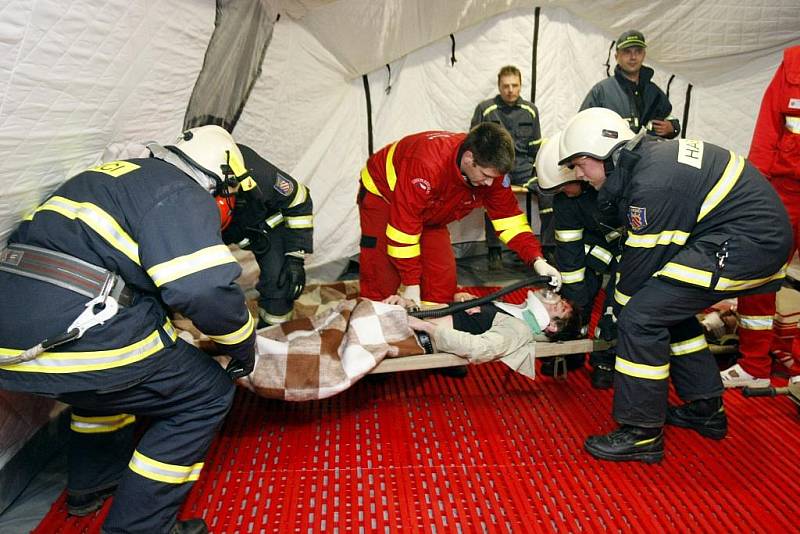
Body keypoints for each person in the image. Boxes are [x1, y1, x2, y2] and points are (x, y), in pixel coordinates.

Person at [0, 125, 257, 533]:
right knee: (206, 394)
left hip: (14, 338)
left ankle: (91, 484)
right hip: (76, 331)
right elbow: (203, 289)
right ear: (218, 178)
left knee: (104, 386)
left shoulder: (106, 177)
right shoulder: (181, 190)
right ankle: (140, 527)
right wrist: (243, 344)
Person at [558, 107, 792, 463]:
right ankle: (705, 408)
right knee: (667, 307)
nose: (578, 174)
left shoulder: (651, 184)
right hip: (746, 236)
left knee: (641, 317)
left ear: (603, 154)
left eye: (579, 164)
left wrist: (615, 314)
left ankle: (641, 433)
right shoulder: (649, 161)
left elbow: (639, 267)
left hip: (746, 244)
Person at [357, 122, 561, 308]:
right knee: (382, 274)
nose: (490, 184)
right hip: (383, 195)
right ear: (469, 158)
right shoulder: (427, 165)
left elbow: (510, 221)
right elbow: (403, 229)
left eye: (494, 178)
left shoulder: (491, 173)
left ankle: (429, 329)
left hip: (431, 208)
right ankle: (373, 324)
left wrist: (537, 260)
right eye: (486, 176)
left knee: (442, 280)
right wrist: (411, 283)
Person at [721, 45, 800, 388]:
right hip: (785, 191)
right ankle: (754, 366)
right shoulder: (793, 65)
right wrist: (757, 191)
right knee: (760, 273)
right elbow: (769, 127)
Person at [536, 132, 623, 388]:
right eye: (557, 190)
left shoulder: (614, 187)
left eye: (564, 185)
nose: (563, 192)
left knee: (615, 308)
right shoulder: (566, 201)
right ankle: (573, 350)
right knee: (576, 292)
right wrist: (574, 303)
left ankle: (606, 359)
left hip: (634, 251)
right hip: (601, 251)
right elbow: (569, 253)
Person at [221, 145, 313, 327]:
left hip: (263, 225)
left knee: (282, 280)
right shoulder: (182, 186)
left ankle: (272, 331)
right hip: (216, 232)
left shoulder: (260, 174)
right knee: (204, 289)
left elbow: (299, 200)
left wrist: (295, 257)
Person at [470, 65, 550, 269]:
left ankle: (548, 247)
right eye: (506, 86)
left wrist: (539, 173)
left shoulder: (530, 110)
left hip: (523, 168)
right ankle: (494, 250)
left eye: (514, 85)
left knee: (547, 191)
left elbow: (535, 147)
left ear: (521, 85)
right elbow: (473, 142)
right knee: (489, 195)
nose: (510, 90)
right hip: (495, 167)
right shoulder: (485, 109)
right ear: (499, 86)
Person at [581, 30, 680, 139]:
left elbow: (669, 118)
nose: (633, 57)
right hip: (611, 154)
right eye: (627, 52)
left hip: (648, 154)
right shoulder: (601, 91)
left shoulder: (654, 92)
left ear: (644, 55)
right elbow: (581, 125)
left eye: (638, 51)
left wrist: (672, 127)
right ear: (616, 56)